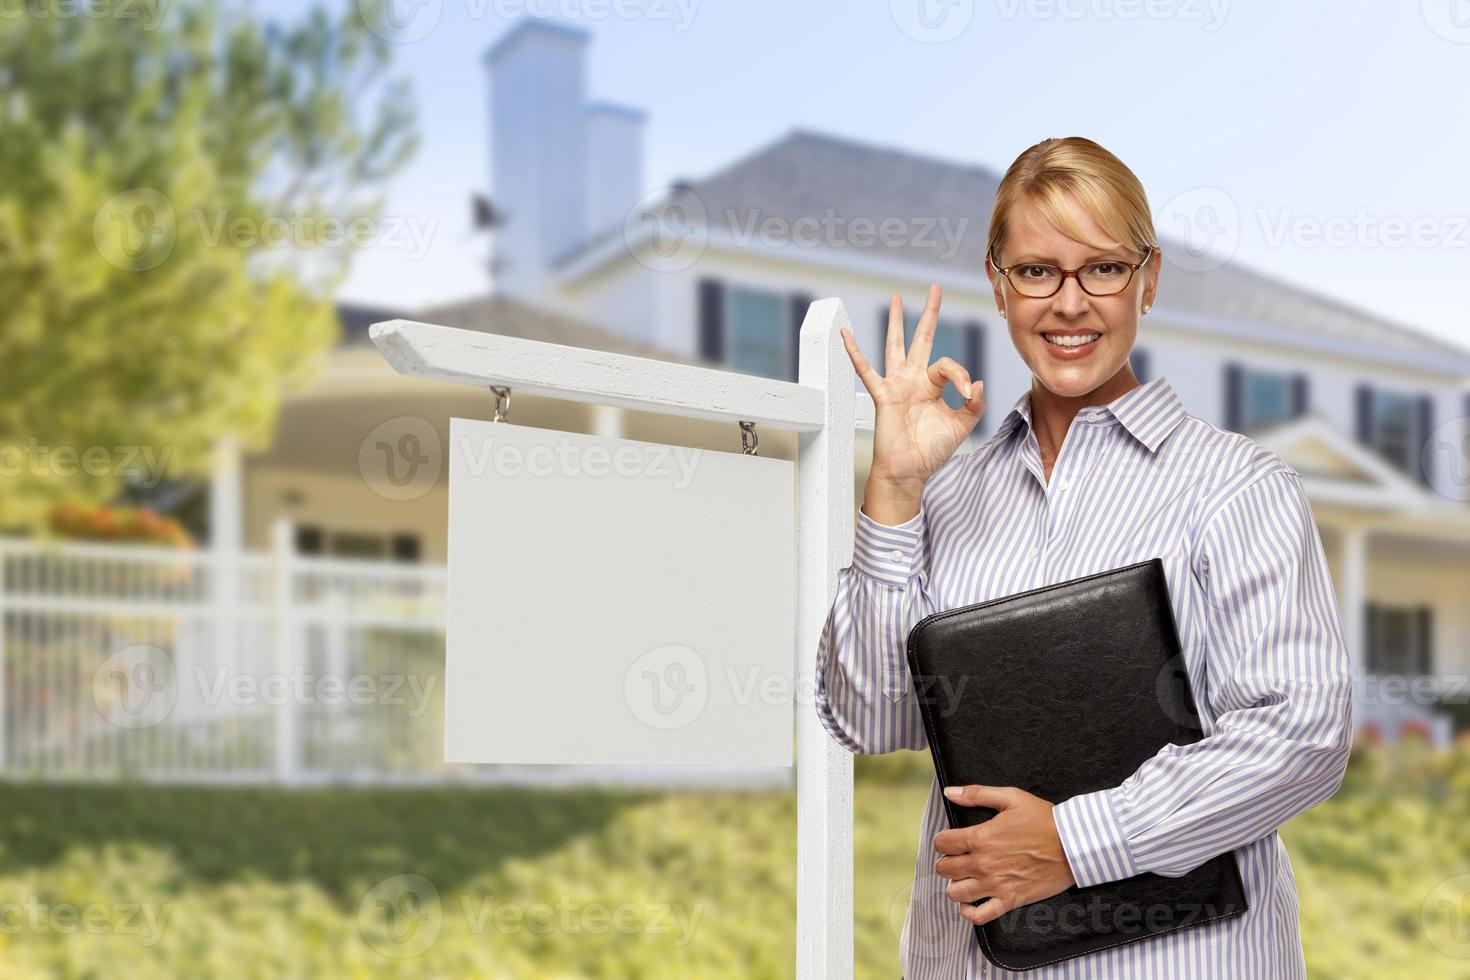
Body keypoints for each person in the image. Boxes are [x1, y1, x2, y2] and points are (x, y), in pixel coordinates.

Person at [814, 136, 1354, 979]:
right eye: (1037, 271)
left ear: (1148, 279)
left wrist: (1074, 843)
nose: (1069, 304)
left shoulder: (1237, 487)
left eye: (1101, 269)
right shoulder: (945, 498)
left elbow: (1303, 733)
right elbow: (873, 717)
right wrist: (892, 488)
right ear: (997, 283)